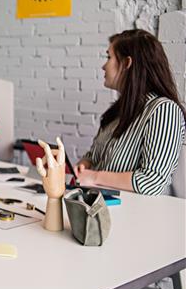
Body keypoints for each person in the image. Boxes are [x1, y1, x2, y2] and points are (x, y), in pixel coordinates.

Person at [76, 29, 186, 195]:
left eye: (109, 57)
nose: (103, 66)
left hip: (139, 215)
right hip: (102, 208)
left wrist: (95, 177)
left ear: (127, 63)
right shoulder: (117, 112)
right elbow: (95, 156)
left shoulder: (164, 110)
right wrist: (86, 163)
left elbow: (152, 181)